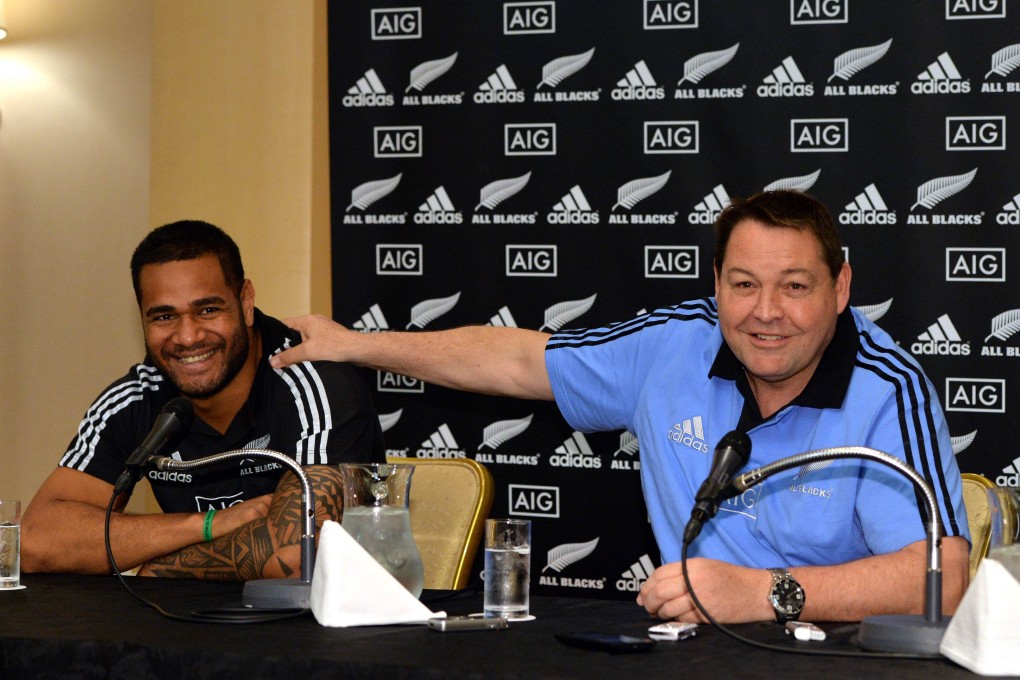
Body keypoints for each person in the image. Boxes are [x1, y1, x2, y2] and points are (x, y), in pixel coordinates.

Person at [268, 190, 970, 624]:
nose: (766, 313)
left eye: (795, 286)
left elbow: (939, 577)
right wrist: (357, 345)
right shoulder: (674, 345)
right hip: (691, 652)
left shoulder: (888, 386)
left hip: (835, 660)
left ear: (840, 287)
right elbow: (515, 360)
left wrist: (766, 594)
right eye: (744, 284)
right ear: (717, 284)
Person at [21, 220, 384, 580]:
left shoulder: (317, 385)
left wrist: (162, 568)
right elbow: (36, 541)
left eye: (208, 310)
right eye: (164, 316)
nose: (188, 337)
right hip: (188, 627)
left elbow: (296, 555)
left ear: (245, 302)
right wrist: (205, 525)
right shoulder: (135, 397)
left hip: (319, 631)